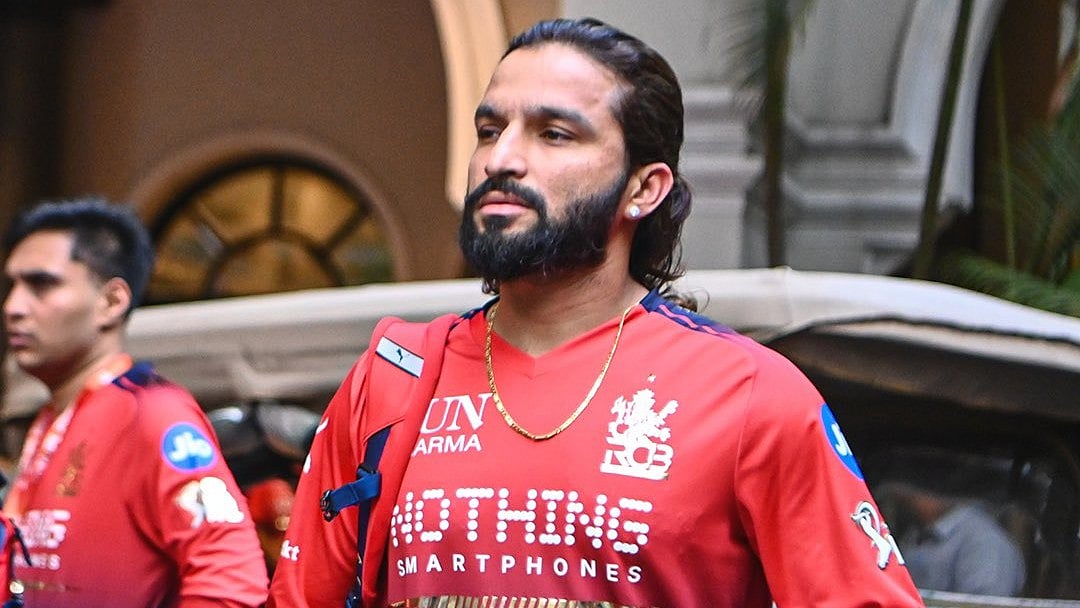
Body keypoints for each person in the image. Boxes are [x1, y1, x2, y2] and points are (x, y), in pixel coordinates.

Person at [269, 17, 923, 607]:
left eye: (554, 134)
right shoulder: (392, 378)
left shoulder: (752, 396)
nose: (501, 159)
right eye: (490, 131)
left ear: (644, 188)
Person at [1, 198, 268, 607]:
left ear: (112, 302)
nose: (13, 307)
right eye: (12, 286)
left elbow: (232, 579)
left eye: (42, 285)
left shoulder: (152, 414)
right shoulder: (52, 419)